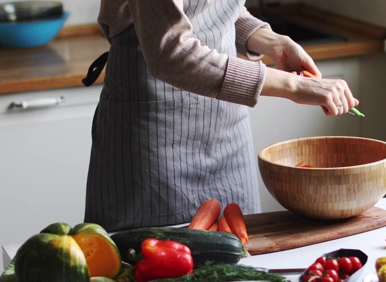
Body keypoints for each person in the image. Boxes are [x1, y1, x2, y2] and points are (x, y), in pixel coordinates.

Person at [82, 0, 360, 232]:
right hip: (157, 129)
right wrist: (294, 85)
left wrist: (272, 41)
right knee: (150, 274)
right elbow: (170, 51)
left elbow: (214, 8)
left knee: (239, 259)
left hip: (226, 124)